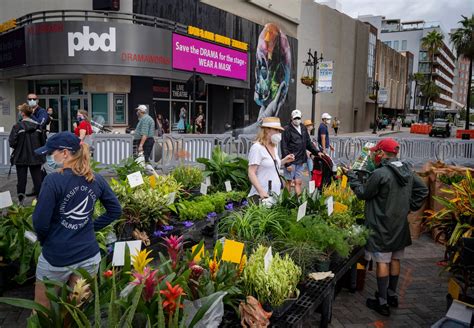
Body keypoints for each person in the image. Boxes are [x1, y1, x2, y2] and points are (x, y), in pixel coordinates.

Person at [32, 131, 122, 309]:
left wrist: (46, 240)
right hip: (89, 255)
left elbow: (40, 223)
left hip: (56, 257)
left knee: (43, 309)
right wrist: (89, 227)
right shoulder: (96, 179)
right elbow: (115, 210)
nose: (49, 157)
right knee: (77, 311)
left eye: (51, 153)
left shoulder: (53, 180)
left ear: (65, 153)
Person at [346, 138, 428, 317]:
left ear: (382, 154)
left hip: (381, 225)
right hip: (399, 225)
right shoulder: (408, 170)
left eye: (377, 152)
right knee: (396, 259)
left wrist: (351, 176)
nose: (375, 154)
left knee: (382, 261)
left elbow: (363, 193)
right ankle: (392, 295)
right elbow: (423, 190)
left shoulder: (381, 173)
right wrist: (408, 206)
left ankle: (382, 302)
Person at [248, 117, 294, 202]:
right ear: (267, 130)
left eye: (279, 131)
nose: (278, 133)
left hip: (275, 194)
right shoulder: (257, 148)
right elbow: (251, 172)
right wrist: (261, 191)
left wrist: (284, 161)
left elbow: (271, 166)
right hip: (261, 196)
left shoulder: (274, 146)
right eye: (276, 130)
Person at [9, 103, 46, 203]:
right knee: (38, 181)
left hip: (21, 157)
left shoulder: (17, 126)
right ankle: (40, 201)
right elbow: (43, 143)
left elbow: (12, 142)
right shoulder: (38, 127)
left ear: (23, 113)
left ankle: (21, 202)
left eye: (20, 112)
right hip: (36, 157)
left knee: (21, 181)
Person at [281, 109, 321, 195]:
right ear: (291, 118)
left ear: (301, 117)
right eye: (295, 118)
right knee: (288, 182)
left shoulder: (303, 127)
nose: (297, 120)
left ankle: (298, 201)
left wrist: (317, 152)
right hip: (291, 160)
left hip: (300, 160)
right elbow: (284, 146)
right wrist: (287, 164)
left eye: (298, 118)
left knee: (298, 182)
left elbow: (308, 143)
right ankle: (286, 202)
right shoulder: (286, 129)